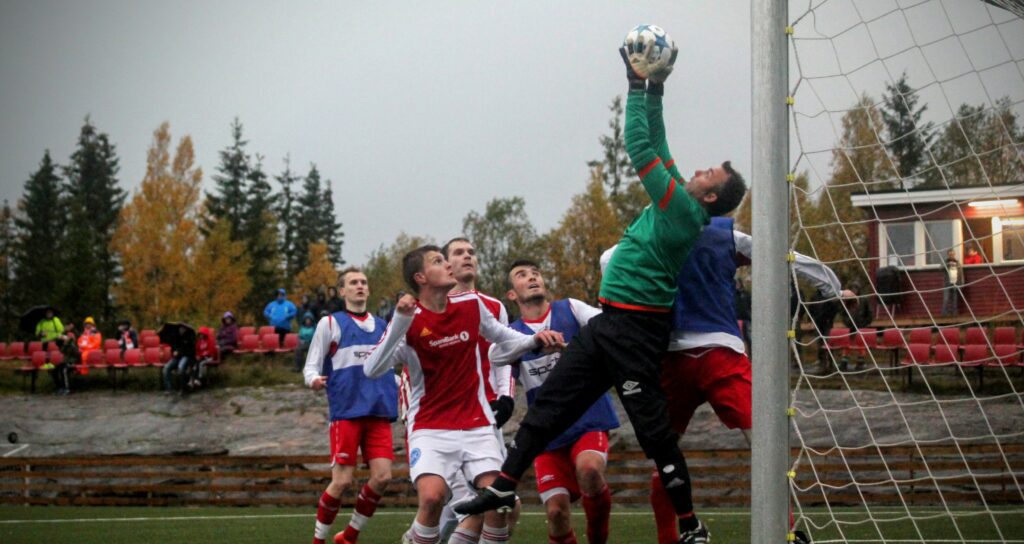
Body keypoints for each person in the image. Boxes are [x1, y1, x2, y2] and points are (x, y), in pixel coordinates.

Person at [456, 40, 747, 544]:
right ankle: (504, 485)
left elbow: (638, 147)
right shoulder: (687, 198)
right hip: (612, 323)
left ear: (709, 196)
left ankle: (689, 523)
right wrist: (657, 86)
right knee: (545, 407)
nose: (698, 170)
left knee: (656, 436)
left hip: (638, 333)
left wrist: (634, 84)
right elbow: (657, 140)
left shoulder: (683, 209)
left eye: (709, 174)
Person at [602, 218, 844, 544]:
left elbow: (607, 259)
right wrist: (831, 285)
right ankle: (784, 531)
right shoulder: (724, 233)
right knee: (763, 444)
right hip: (720, 352)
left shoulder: (653, 233)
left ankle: (669, 537)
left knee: (665, 454)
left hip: (672, 355)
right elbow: (782, 254)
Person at [364, 245, 564, 544]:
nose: (447, 265)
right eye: (438, 261)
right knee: (432, 499)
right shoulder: (409, 321)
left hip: (477, 426)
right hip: (431, 428)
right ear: (421, 277)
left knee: (499, 501)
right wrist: (399, 323)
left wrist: (535, 340)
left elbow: (503, 337)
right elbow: (372, 368)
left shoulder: (471, 305)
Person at [502, 259, 619, 544]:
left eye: (536, 273)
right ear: (512, 295)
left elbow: (610, 327)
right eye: (522, 275)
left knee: (590, 469)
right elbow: (502, 377)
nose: (532, 278)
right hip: (546, 431)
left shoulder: (571, 309)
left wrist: (575, 349)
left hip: (587, 415)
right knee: (555, 513)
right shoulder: (512, 335)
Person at [432, 237, 519, 544]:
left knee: (504, 504)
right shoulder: (432, 309)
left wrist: (506, 397)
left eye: (471, 252)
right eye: (459, 252)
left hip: (485, 420)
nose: (467, 256)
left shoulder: (493, 306)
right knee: (474, 508)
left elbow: (505, 354)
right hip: (444, 424)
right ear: (445, 265)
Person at [302, 267, 397, 544]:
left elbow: (390, 366)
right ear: (341, 291)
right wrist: (313, 380)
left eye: (364, 282)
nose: (360, 286)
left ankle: (350, 535)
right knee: (342, 482)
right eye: (353, 282)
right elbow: (311, 365)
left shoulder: (383, 326)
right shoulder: (330, 324)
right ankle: (318, 540)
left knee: (383, 477)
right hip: (347, 411)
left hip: (379, 411)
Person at [162, 324, 196, 394]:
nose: (181, 330)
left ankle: (183, 388)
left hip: (186, 357)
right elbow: (173, 349)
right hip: (176, 358)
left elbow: (190, 351)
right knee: (166, 368)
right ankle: (169, 389)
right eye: (180, 328)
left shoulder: (190, 338)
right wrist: (174, 352)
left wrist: (179, 352)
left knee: (181, 368)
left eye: (183, 328)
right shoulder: (175, 338)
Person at [51, 322, 77, 395]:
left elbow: (75, 355)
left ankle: (67, 388)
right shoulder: (64, 345)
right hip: (65, 361)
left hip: (72, 362)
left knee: (64, 370)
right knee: (55, 369)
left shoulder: (72, 345)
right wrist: (64, 343)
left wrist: (67, 343)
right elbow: (61, 349)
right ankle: (59, 387)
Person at [942, 250, 963, 317]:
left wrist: (961, 282)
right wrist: (947, 265)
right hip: (947, 283)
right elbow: (940, 268)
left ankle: (954, 313)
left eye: (953, 254)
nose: (951, 256)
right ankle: (944, 313)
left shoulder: (957, 262)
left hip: (955, 283)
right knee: (946, 298)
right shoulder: (945, 261)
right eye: (950, 254)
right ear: (948, 255)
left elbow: (960, 272)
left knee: (955, 299)